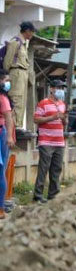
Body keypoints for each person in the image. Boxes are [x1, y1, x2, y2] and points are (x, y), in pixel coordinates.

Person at [32, 79, 67, 203]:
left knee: (56, 169)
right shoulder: (43, 103)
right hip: (46, 141)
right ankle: (38, 196)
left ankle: (53, 195)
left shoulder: (63, 104)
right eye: (59, 88)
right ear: (51, 89)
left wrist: (64, 119)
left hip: (59, 141)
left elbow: (64, 122)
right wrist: (52, 117)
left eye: (62, 88)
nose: (61, 91)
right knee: (44, 168)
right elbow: (36, 119)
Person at [3, 21, 36, 130]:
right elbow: (7, 62)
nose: (32, 34)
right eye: (32, 32)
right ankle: (13, 126)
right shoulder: (15, 42)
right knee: (16, 99)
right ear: (27, 31)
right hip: (16, 73)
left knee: (21, 101)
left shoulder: (23, 44)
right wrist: (6, 76)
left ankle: (17, 125)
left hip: (22, 74)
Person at [0, 70, 15, 219]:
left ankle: (1, 208)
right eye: (6, 80)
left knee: (0, 171)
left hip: (1, 135)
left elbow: (9, 119)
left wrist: (9, 136)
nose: (8, 83)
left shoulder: (3, 98)